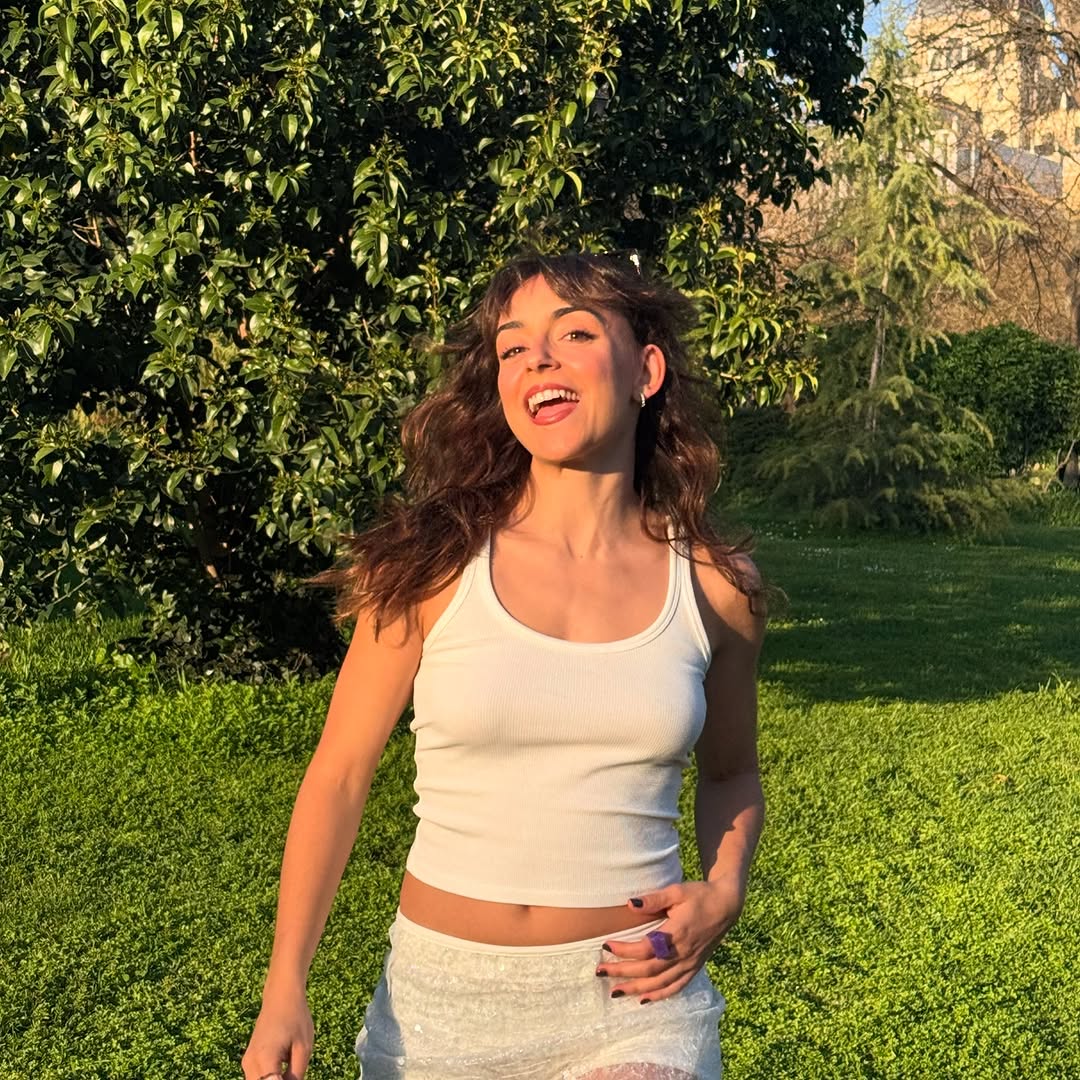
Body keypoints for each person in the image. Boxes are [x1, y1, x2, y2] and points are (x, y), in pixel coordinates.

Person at [241, 252, 767, 1080]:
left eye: (575, 334)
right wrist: (285, 985)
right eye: (514, 348)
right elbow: (339, 775)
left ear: (646, 371)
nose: (538, 361)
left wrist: (725, 888)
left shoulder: (714, 585)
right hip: (440, 1008)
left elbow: (732, 772)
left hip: (635, 1004)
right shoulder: (430, 567)